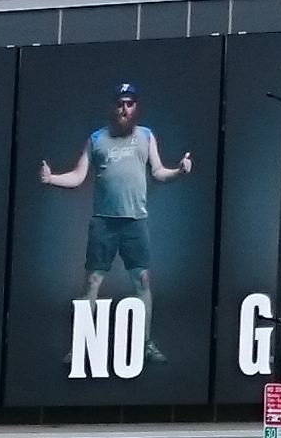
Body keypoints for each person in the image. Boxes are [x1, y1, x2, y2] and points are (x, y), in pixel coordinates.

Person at [37, 84, 195, 348]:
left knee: (142, 281)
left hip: (134, 222)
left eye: (130, 103)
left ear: (136, 107)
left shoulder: (146, 136)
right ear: (113, 107)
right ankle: (82, 345)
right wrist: (51, 178)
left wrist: (179, 171)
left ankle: (144, 343)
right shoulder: (96, 139)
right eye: (121, 103)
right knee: (92, 282)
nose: (125, 108)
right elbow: (78, 176)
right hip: (104, 222)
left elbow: (157, 172)